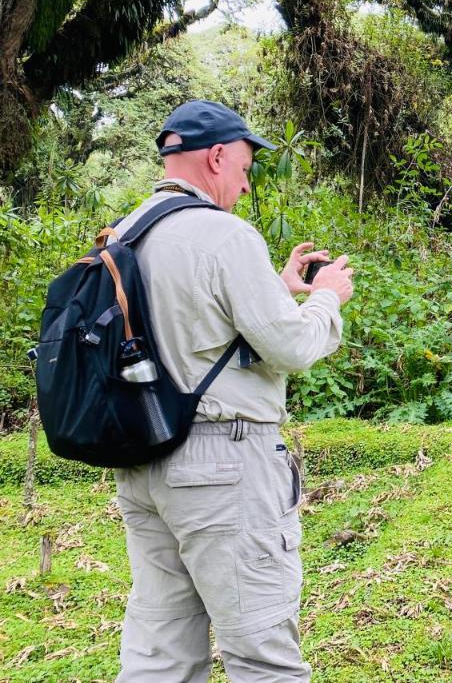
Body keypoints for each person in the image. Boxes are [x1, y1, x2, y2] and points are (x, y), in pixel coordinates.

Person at [112, 100, 354, 682]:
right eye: (244, 170)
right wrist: (327, 296)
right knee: (261, 649)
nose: (245, 186)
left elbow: (190, 324)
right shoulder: (224, 234)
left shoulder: (127, 230)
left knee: (161, 650)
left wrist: (276, 287)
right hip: (223, 465)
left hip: (144, 458)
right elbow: (292, 348)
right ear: (217, 156)